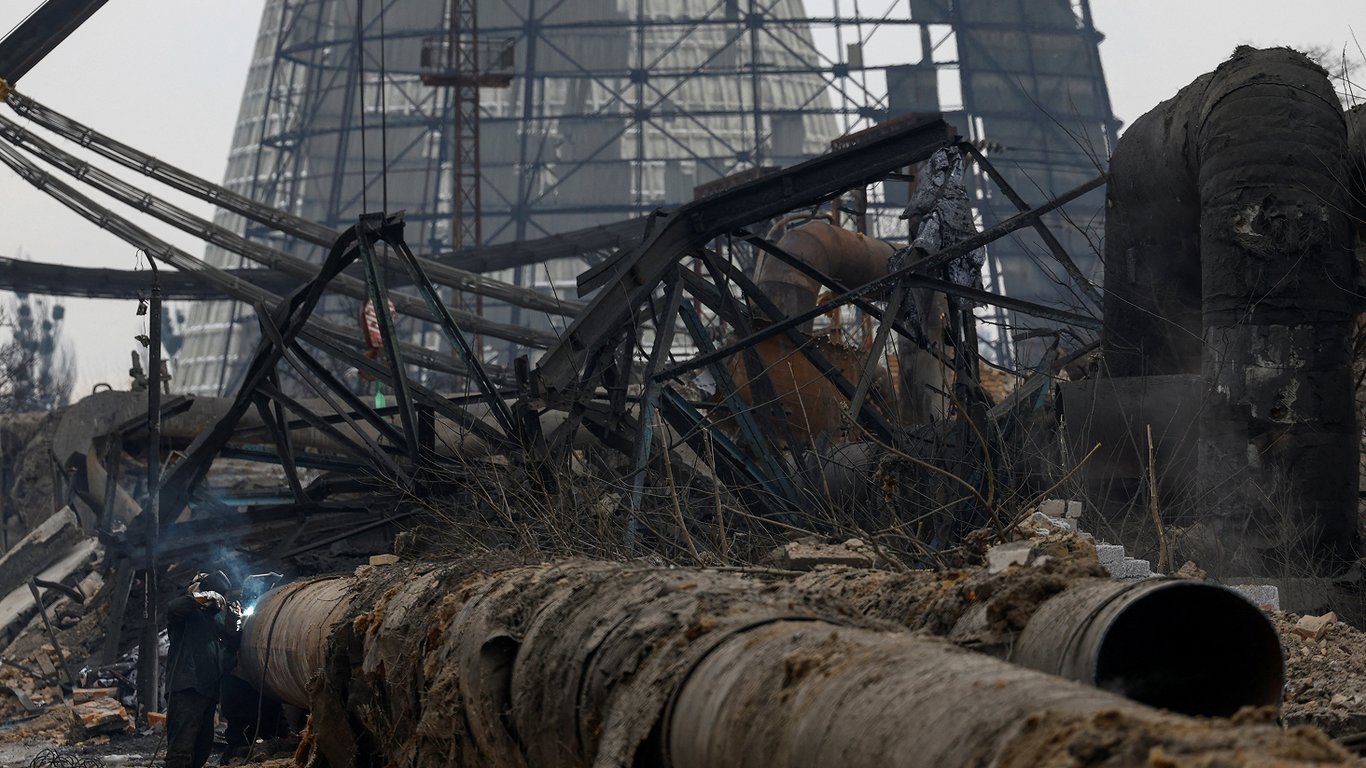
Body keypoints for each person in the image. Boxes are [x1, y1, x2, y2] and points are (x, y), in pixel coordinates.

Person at [165, 569, 241, 768]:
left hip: (208, 692)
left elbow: (231, 649)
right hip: (187, 688)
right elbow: (173, 608)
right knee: (181, 748)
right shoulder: (188, 615)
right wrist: (205, 596)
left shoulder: (215, 621)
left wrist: (235, 622)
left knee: (202, 747)